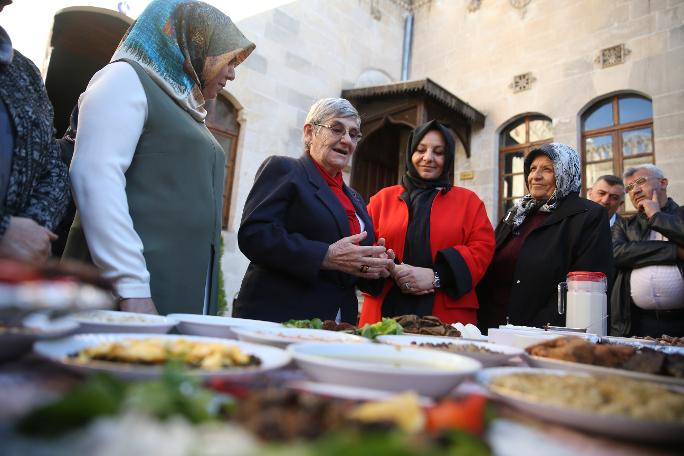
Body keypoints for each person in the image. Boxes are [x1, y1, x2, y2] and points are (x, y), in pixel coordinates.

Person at [64, 0, 255, 316]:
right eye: (227, 58)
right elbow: (95, 176)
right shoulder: (124, 79)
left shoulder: (183, 107)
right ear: (193, 42)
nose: (232, 73)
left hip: (174, 294)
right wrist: (131, 286)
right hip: (128, 299)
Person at [235, 97, 393, 324]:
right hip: (282, 316)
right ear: (309, 133)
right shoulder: (286, 169)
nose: (346, 140)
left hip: (339, 323)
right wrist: (324, 256)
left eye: (353, 134)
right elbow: (255, 235)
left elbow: (350, 269)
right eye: (336, 129)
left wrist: (376, 267)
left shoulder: (355, 198)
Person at [358, 120, 495, 326]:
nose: (428, 158)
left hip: (445, 315)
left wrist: (436, 276)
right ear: (410, 153)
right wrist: (385, 264)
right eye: (420, 150)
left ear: (448, 157)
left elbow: (483, 250)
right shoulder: (382, 199)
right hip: (385, 311)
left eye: (438, 152)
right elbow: (363, 244)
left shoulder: (469, 202)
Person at [477, 143, 613, 330]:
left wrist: (537, 331)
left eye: (547, 169)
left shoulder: (587, 215)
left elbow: (584, 285)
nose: (535, 176)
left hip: (540, 334)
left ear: (566, 173)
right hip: (490, 327)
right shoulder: (516, 214)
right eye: (532, 169)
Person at [0, 0, 69, 264]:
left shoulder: (23, 71)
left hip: (14, 279)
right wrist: (4, 232)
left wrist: (31, 230)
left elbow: (53, 166)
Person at [611, 164, 684, 337]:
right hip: (637, 323)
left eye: (640, 182)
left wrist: (657, 216)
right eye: (629, 188)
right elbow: (616, 253)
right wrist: (676, 252)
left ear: (663, 183)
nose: (634, 191)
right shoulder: (625, 224)